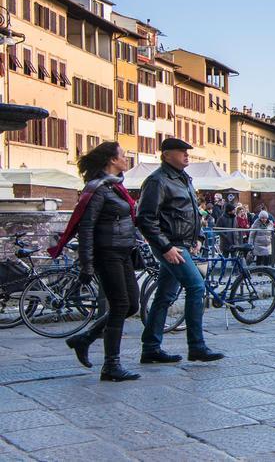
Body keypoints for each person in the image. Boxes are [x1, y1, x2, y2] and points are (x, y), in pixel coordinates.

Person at [54, 141, 142, 381]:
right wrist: (86, 264)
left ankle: (84, 338)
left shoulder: (115, 186)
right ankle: (111, 365)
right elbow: (86, 226)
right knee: (121, 305)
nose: (126, 159)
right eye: (123, 156)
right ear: (112, 160)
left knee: (133, 304)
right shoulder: (98, 188)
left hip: (123, 252)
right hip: (108, 252)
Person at [137, 137, 223, 364]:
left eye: (187, 152)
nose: (187, 155)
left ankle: (151, 347)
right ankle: (196, 346)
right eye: (181, 151)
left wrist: (198, 237)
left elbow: (191, 212)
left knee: (164, 296)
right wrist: (165, 247)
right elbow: (145, 219)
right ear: (166, 155)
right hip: (171, 245)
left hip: (181, 244)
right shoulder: (158, 181)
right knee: (196, 287)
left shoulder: (183, 179)